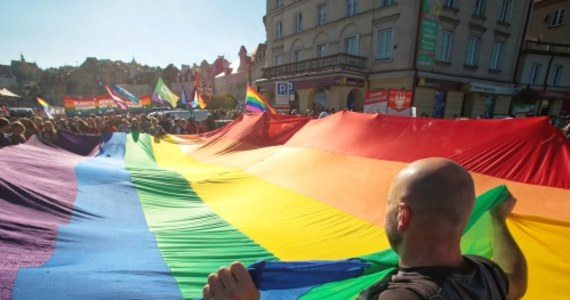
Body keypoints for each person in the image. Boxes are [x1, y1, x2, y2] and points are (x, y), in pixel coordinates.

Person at [202, 158, 527, 300]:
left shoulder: (402, 296)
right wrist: (497, 220)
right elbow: (518, 281)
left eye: (388, 202)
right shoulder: (485, 274)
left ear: (402, 216)